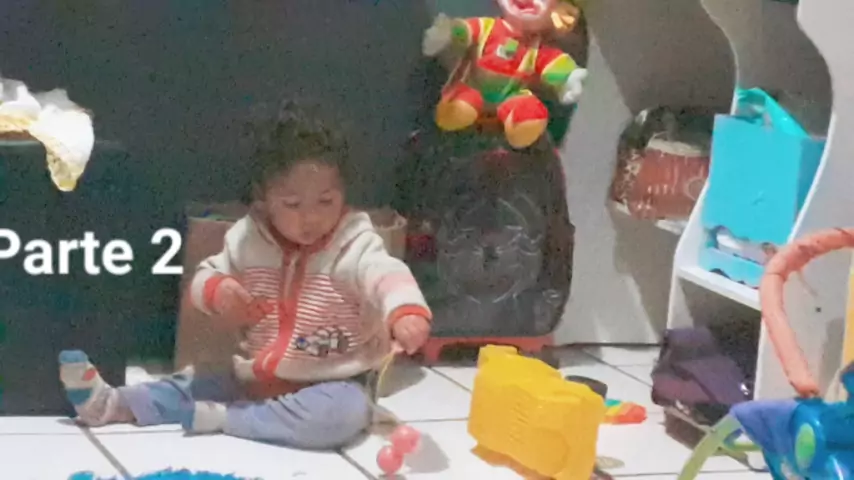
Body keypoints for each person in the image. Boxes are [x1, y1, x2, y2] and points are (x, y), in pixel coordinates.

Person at [58, 100, 432, 450]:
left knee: (342, 415)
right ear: (263, 198)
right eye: (292, 204)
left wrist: (405, 312)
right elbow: (205, 277)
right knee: (194, 382)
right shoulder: (249, 238)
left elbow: (386, 274)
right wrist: (220, 292)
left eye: (326, 201)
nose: (311, 217)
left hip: (334, 382)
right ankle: (114, 404)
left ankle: (230, 420)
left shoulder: (353, 242)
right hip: (255, 379)